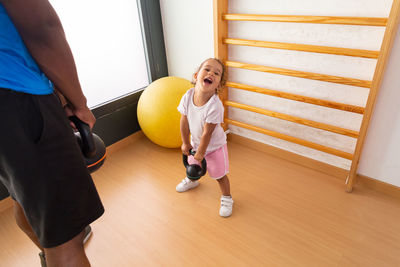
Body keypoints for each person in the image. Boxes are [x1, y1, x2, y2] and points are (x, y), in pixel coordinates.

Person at [0, 1, 104, 266]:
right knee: (68, 239)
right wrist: (78, 103)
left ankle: (50, 255)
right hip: (15, 94)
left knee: (25, 195)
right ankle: (58, 252)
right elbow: (42, 27)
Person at [176, 58, 233, 217]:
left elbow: (208, 133)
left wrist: (201, 152)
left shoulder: (215, 106)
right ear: (196, 75)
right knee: (193, 166)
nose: (211, 74)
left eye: (216, 73)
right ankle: (192, 181)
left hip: (214, 147)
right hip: (195, 144)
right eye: (207, 70)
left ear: (218, 85)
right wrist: (186, 143)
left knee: (219, 175)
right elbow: (184, 120)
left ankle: (227, 197)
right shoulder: (188, 96)